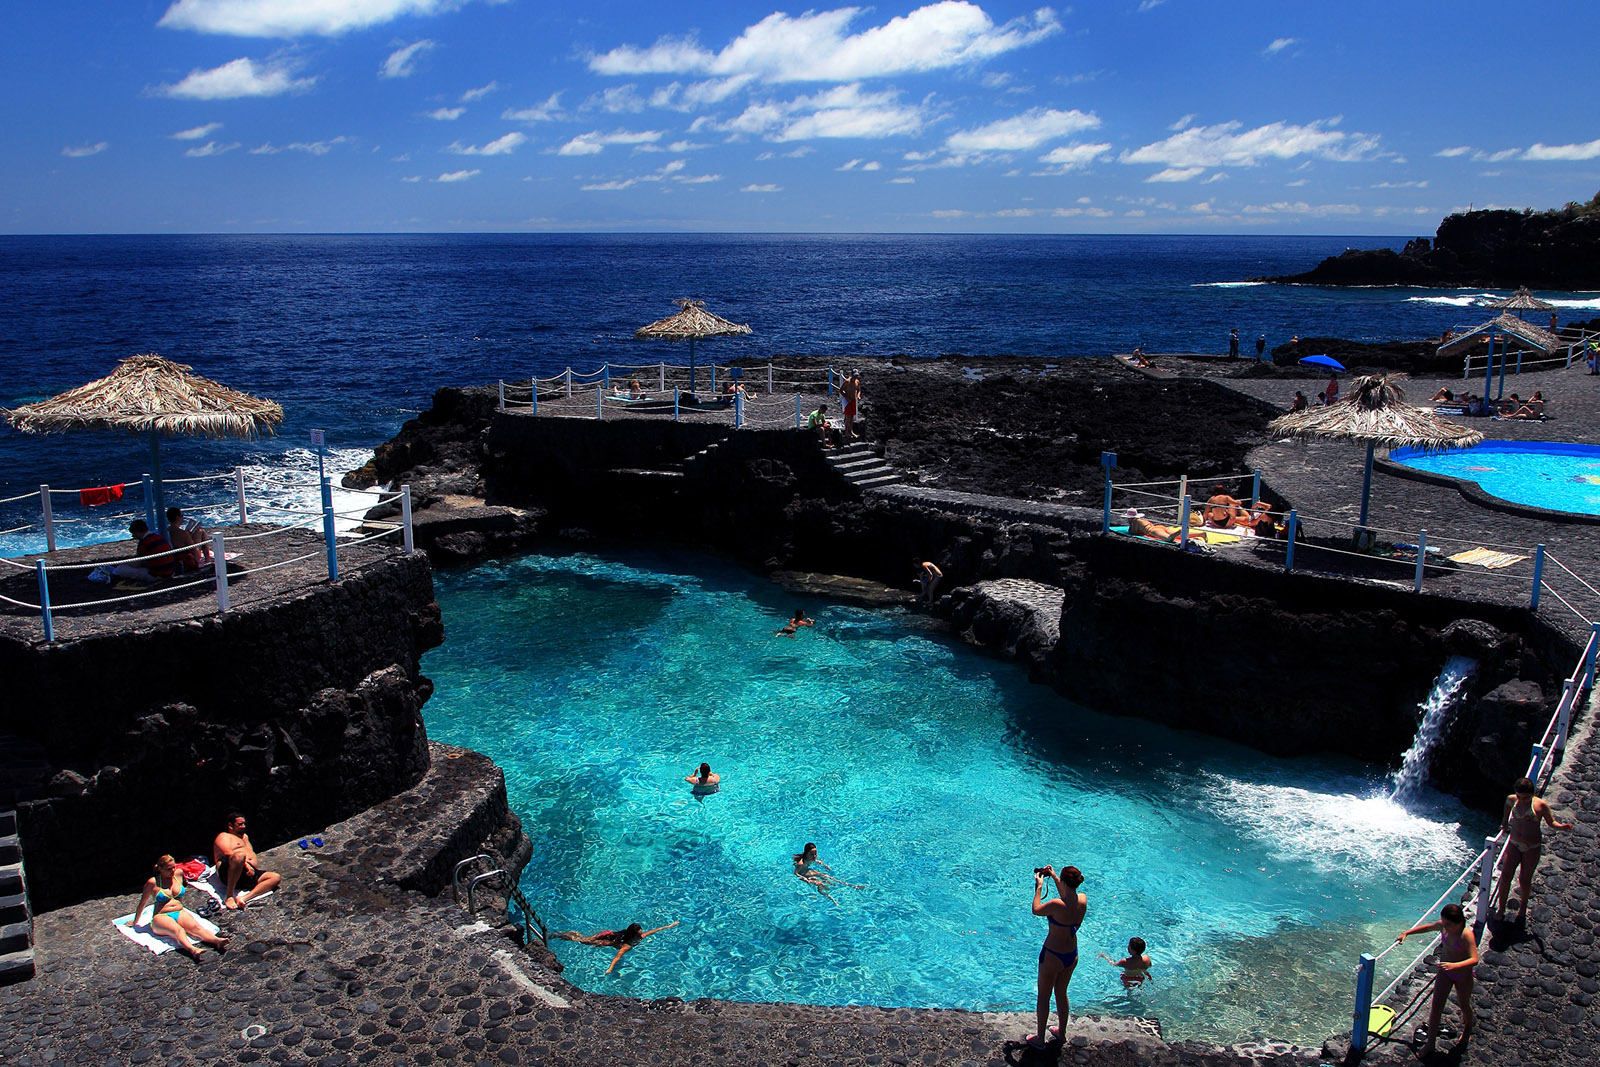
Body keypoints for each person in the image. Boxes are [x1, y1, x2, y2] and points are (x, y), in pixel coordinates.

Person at [1396, 903, 1479, 1055]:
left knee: (1464, 1004)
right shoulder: (1444, 926)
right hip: (1445, 971)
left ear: (1459, 922)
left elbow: (1474, 959)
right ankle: (1430, 1043)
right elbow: (1427, 928)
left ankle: (1468, 1029)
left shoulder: (1466, 935)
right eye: (1444, 923)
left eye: (1448, 924)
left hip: (1462, 974)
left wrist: (1455, 966)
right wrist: (1407, 933)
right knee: (1436, 1006)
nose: (1445, 927)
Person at [1490, 777, 1573, 919]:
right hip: (1514, 843)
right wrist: (1504, 822)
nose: (1522, 800)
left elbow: (1551, 822)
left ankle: (1522, 908)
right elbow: (1507, 809)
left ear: (1532, 794)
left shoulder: (1541, 806)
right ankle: (1501, 909)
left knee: (1524, 879)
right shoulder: (1511, 800)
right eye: (1519, 797)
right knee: (1505, 876)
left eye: (1526, 798)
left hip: (1531, 847)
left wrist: (1562, 827)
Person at [1026, 865, 1086, 1049]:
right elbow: (1068, 897)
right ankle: (1062, 1032)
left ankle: (1040, 1039)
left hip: (1052, 954)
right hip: (1071, 954)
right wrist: (1052, 874)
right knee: (1061, 993)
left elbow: (1036, 909)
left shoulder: (1056, 905)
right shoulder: (1082, 900)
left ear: (1065, 882)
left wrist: (1039, 886)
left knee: (1044, 996)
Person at [135, 854, 230, 960]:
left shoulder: (178, 874)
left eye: (173, 867)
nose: (172, 870)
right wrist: (135, 922)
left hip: (179, 911)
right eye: (168, 869)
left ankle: (216, 940)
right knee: (178, 930)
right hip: (161, 915)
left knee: (196, 928)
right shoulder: (153, 882)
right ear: (160, 869)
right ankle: (192, 949)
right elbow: (142, 903)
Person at [212, 812, 282, 910]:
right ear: (230, 826)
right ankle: (229, 896)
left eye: (244, 824)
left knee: (275, 877)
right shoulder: (223, 836)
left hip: (248, 873)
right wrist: (246, 865)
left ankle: (244, 898)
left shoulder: (245, 837)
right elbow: (228, 853)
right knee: (239, 856)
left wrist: (251, 867)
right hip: (230, 870)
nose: (243, 826)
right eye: (240, 824)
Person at [550, 921, 679, 974]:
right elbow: (618, 957)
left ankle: (567, 934)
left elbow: (654, 930)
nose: (642, 932)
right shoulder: (628, 945)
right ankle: (563, 935)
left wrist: (669, 926)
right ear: (636, 934)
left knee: (583, 938)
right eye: (640, 931)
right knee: (580, 941)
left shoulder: (628, 935)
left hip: (608, 934)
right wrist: (610, 969)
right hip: (606, 941)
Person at [793, 842, 862, 905]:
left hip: (808, 871)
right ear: (806, 853)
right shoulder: (800, 863)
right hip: (804, 874)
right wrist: (804, 879)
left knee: (825, 876)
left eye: (815, 853)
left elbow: (815, 860)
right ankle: (833, 901)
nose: (814, 856)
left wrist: (823, 864)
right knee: (820, 884)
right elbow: (796, 873)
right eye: (812, 854)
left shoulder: (810, 858)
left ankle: (852, 885)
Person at [112, 519, 178, 580]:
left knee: (120, 569)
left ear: (137, 532)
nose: (133, 536)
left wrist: (125, 562)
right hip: (170, 572)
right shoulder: (158, 537)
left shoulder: (144, 543)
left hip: (158, 575)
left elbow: (137, 564)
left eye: (133, 534)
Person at [166, 506, 210, 570]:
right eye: (182, 516)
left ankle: (207, 559)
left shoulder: (166, 531)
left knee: (197, 532)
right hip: (185, 561)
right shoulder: (182, 533)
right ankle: (207, 560)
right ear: (178, 518)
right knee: (200, 531)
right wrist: (189, 536)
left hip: (173, 557)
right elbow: (195, 552)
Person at [841, 370, 862, 438]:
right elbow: (841, 390)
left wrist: (858, 396)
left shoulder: (857, 381)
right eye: (854, 375)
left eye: (856, 376)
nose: (855, 377)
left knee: (852, 416)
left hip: (853, 400)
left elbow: (858, 390)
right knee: (848, 417)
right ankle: (846, 431)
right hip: (847, 401)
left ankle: (851, 431)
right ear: (852, 375)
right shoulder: (847, 381)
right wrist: (846, 397)